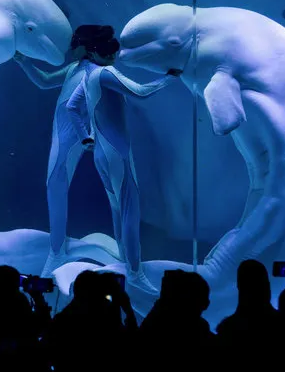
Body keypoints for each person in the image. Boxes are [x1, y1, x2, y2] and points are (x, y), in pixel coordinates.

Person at [66, 26, 182, 293]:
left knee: (119, 210)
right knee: (130, 211)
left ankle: (124, 261)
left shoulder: (89, 75)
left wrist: (86, 137)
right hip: (117, 153)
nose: (116, 57)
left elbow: (74, 107)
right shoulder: (106, 73)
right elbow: (140, 91)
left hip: (101, 153)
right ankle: (134, 271)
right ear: (107, 54)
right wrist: (169, 78)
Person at [13, 26, 114, 277]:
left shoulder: (96, 72)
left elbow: (94, 105)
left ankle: (57, 252)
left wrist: (88, 135)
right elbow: (44, 81)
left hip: (75, 136)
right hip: (64, 135)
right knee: (55, 186)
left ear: (86, 47)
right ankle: (57, 249)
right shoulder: (74, 69)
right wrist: (23, 60)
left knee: (57, 185)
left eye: (75, 42)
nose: (71, 47)